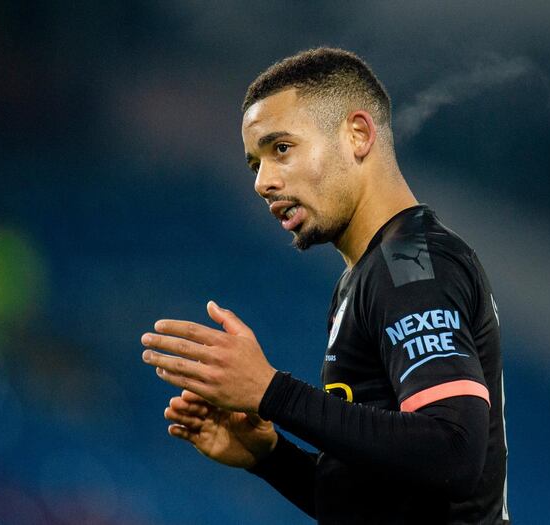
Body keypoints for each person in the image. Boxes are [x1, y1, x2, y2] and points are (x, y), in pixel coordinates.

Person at [140, 47, 509, 524]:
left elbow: (453, 452)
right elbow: (382, 502)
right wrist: (269, 456)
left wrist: (272, 392)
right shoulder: (363, 278)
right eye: (255, 164)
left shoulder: (412, 265)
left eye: (281, 149)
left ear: (357, 135)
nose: (262, 183)